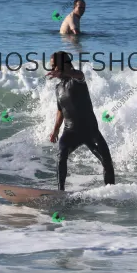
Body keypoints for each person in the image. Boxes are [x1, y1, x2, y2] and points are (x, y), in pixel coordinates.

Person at [47, 51, 115, 190]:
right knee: (61, 155)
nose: (52, 69)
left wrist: (65, 71)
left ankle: (111, 191)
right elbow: (60, 110)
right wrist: (55, 130)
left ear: (64, 65)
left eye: (54, 66)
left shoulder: (77, 81)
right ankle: (60, 192)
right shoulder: (58, 88)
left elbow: (79, 74)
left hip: (90, 131)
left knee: (107, 162)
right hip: (70, 131)